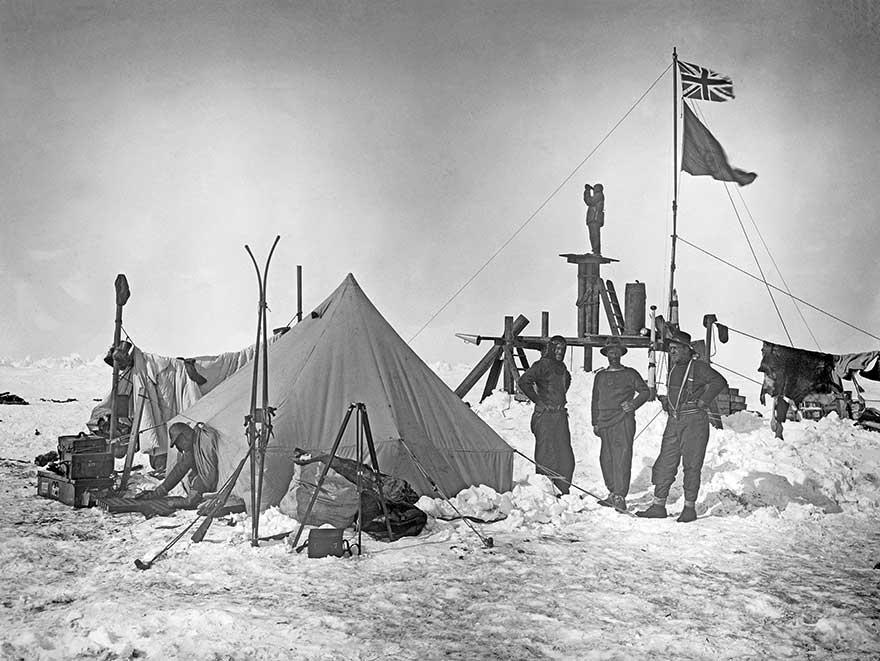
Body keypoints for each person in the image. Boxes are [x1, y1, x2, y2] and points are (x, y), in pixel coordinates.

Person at [636, 330, 727, 523]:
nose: (672, 351)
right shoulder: (675, 369)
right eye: (670, 349)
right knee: (665, 462)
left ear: (687, 350)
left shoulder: (699, 367)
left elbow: (719, 382)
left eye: (676, 348)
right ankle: (658, 505)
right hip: (674, 421)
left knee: (691, 465)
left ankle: (689, 509)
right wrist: (666, 402)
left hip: (694, 422)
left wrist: (703, 402)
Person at [591, 337, 650, 512]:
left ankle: (620, 496)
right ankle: (611, 493)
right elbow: (595, 400)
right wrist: (595, 421)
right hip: (604, 422)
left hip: (623, 421)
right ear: (606, 354)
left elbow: (645, 391)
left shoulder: (630, 373)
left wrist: (632, 404)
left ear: (621, 354)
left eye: (617, 352)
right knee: (606, 459)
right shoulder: (600, 375)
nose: (614, 355)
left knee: (622, 458)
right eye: (611, 352)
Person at [517, 335, 574, 495]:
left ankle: (562, 489)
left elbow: (567, 382)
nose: (559, 351)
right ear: (550, 349)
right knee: (546, 455)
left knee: (564, 454)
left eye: (562, 349)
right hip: (544, 417)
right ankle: (547, 493)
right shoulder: (541, 365)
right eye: (556, 348)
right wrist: (539, 400)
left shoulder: (562, 368)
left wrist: (558, 402)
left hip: (559, 416)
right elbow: (523, 382)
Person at [142, 421, 219, 507]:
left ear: (185, 436)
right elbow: (179, 470)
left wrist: (188, 499)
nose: (178, 447)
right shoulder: (192, 446)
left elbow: (208, 476)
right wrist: (157, 493)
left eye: (178, 442)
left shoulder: (205, 441)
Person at [583, 183, 605, 255]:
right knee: (593, 236)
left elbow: (589, 201)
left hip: (594, 218)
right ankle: (595, 251)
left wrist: (587, 191)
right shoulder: (599, 195)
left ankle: (596, 251)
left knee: (594, 235)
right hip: (594, 218)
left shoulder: (599, 195)